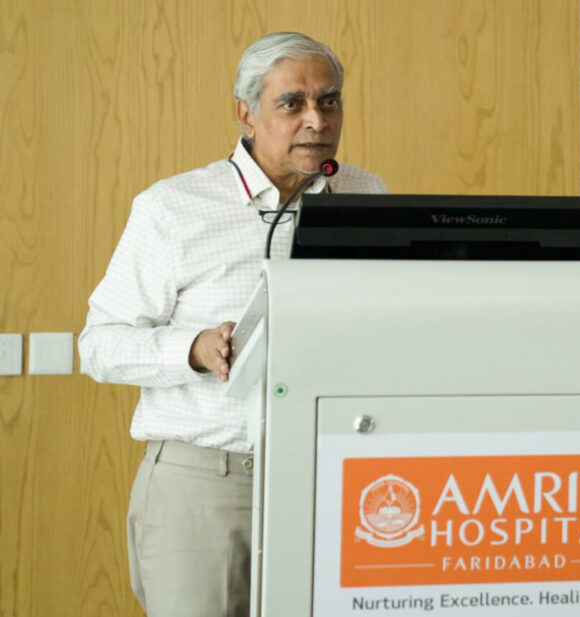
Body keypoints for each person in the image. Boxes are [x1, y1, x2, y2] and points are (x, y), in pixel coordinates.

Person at [79, 32, 385, 617]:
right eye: (292, 103)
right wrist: (190, 349)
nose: (317, 120)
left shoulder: (366, 194)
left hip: (332, 478)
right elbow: (98, 345)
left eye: (331, 101)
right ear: (246, 113)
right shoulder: (172, 207)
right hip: (210, 485)